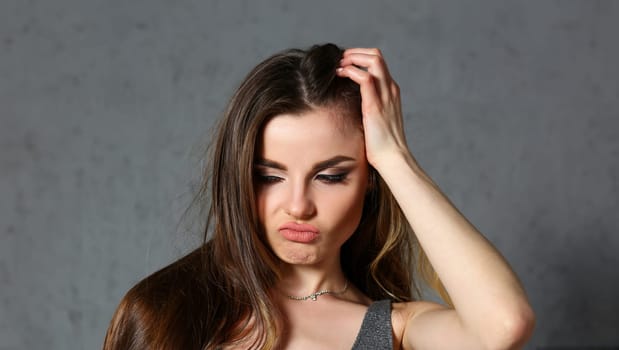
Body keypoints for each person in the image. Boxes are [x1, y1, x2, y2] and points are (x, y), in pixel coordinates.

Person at [103, 43, 535, 349]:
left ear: (369, 181)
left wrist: (394, 156)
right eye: (269, 177)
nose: (298, 205)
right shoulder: (165, 310)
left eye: (329, 177)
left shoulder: (395, 330)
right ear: (238, 179)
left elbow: (503, 326)